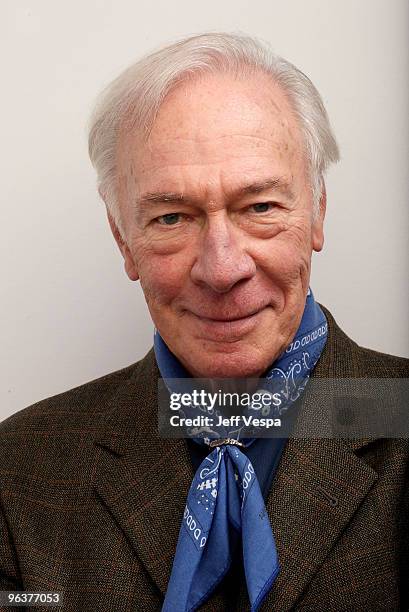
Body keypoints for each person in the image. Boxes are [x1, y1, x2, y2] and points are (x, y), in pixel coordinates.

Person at [0, 32, 408, 612]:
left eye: (261, 207)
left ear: (317, 211)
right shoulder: (19, 471)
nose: (222, 269)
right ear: (123, 239)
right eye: (171, 217)